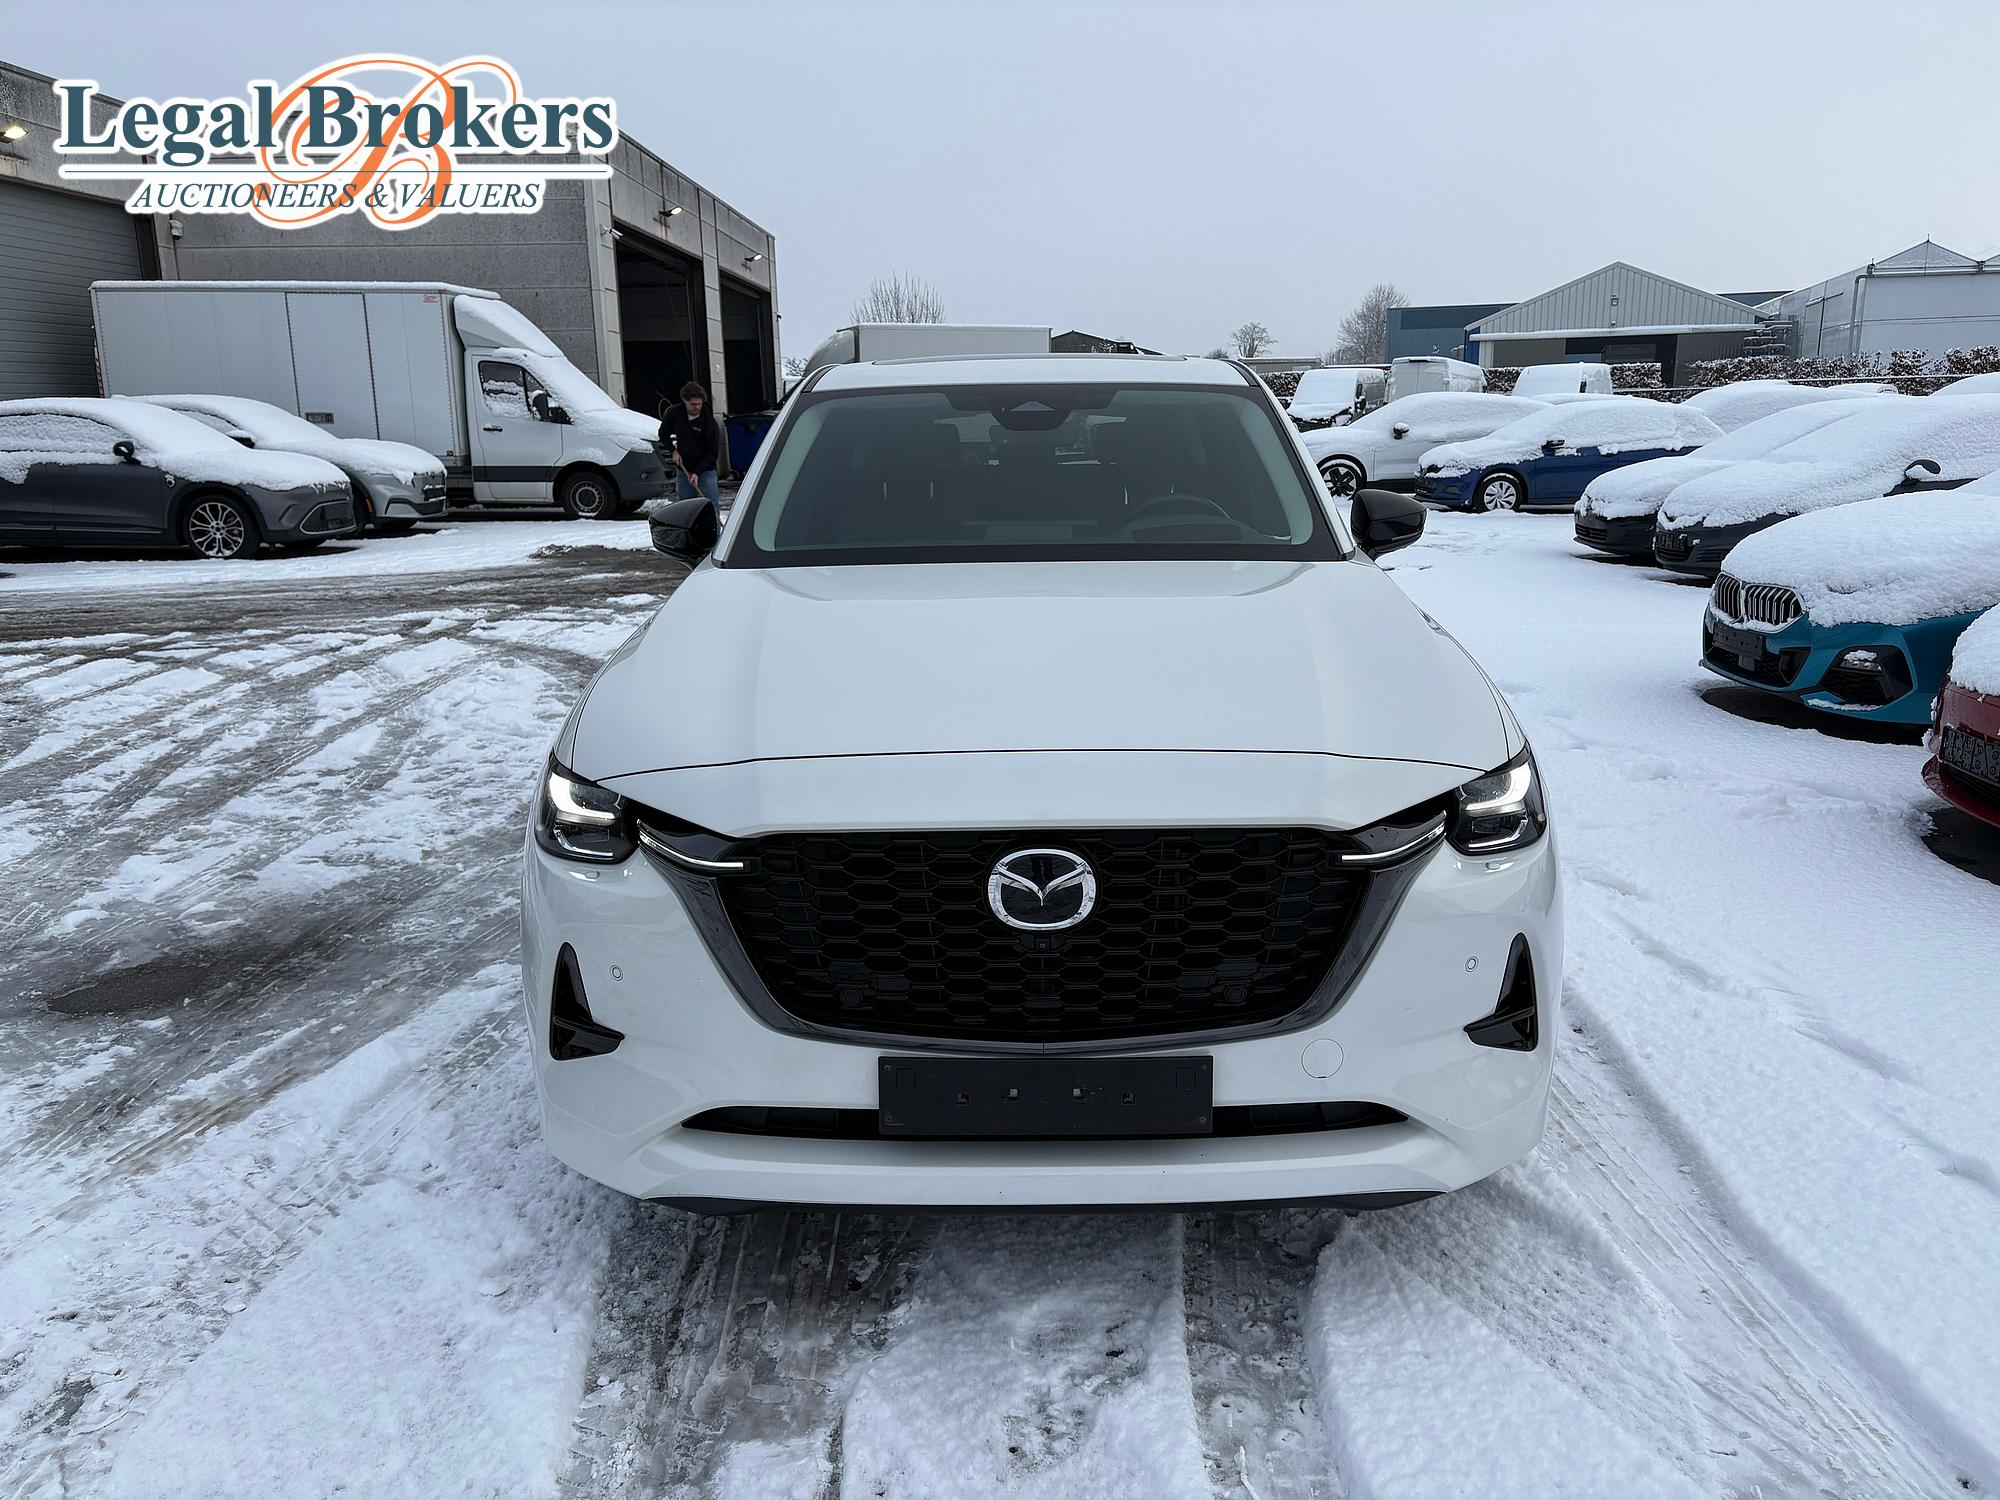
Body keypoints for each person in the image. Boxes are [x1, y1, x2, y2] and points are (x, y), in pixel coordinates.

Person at [659, 381, 723, 503]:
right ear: (684, 400)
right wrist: (673, 451)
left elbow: (712, 451)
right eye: (693, 404)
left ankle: (713, 516)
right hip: (684, 468)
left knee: (710, 501)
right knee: (686, 503)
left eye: (699, 404)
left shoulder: (708, 421)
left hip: (706, 469)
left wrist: (698, 472)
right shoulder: (675, 414)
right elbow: (663, 433)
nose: (697, 407)